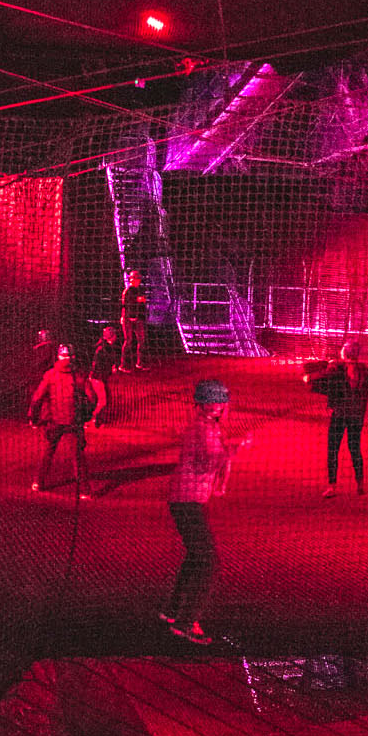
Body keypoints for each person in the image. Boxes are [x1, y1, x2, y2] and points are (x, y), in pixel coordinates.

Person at [162, 379, 236, 645]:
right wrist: (235, 450)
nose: (218, 406)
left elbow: (213, 461)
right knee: (208, 562)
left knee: (196, 557)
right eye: (213, 401)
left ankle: (172, 611)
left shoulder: (208, 427)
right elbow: (210, 459)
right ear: (203, 404)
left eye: (221, 401)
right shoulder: (203, 429)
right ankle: (185, 623)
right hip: (187, 500)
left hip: (187, 498)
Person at [303, 340, 368, 497]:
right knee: (354, 448)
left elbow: (321, 383)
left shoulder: (338, 371)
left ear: (346, 353)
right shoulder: (365, 371)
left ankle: (332, 486)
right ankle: (360, 484)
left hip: (340, 415)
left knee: (333, 449)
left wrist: (310, 379)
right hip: (357, 416)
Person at [29, 344, 94, 495]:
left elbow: (37, 398)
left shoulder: (50, 375)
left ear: (59, 357)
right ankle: (85, 491)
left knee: (48, 452)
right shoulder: (78, 375)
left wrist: (34, 418)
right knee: (77, 456)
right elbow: (92, 398)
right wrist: (86, 415)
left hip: (54, 420)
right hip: (73, 420)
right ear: (73, 357)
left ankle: (38, 483)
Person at [89, 324, 119, 426]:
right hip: (98, 378)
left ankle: (99, 419)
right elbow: (100, 365)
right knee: (103, 401)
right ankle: (92, 419)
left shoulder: (106, 346)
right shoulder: (104, 349)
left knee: (106, 399)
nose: (116, 337)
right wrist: (111, 369)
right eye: (114, 335)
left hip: (99, 377)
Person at [120, 270, 150, 371]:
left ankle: (140, 363)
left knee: (141, 341)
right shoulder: (127, 291)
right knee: (128, 341)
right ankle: (124, 364)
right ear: (131, 280)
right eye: (134, 279)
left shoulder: (140, 290)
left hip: (138, 319)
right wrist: (137, 300)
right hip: (128, 319)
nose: (136, 281)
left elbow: (142, 304)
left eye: (138, 279)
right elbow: (126, 306)